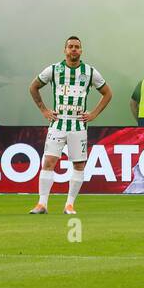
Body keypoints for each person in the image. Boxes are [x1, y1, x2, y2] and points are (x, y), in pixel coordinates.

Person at [27, 35, 113, 215]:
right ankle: (42, 204)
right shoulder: (53, 70)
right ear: (65, 50)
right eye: (70, 46)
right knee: (49, 162)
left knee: (79, 165)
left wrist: (94, 113)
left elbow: (107, 93)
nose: (73, 49)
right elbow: (33, 87)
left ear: (81, 51)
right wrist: (44, 110)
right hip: (58, 123)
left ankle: (69, 205)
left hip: (78, 125)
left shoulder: (89, 72)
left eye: (77, 47)